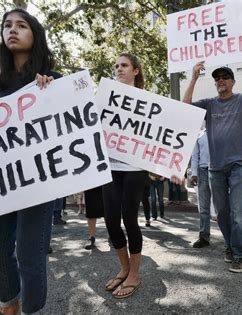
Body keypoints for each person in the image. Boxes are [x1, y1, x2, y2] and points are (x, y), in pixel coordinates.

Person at [0, 9, 61, 314]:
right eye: (7, 26)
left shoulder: (53, 79)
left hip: (38, 183)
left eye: (21, 25)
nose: (12, 30)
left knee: (30, 255)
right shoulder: (0, 83)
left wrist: (50, 93)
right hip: (3, 180)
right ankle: (9, 303)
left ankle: (31, 310)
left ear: (35, 34)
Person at [183, 42, 242, 273]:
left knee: (238, 214)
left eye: (225, 77)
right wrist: (194, 77)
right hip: (215, 168)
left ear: (233, 82)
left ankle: (241, 254)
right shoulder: (208, 104)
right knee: (222, 214)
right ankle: (230, 245)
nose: (221, 81)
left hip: (239, 166)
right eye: (218, 78)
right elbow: (184, 106)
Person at [102, 53, 147, 298]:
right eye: (116, 65)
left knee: (129, 220)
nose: (119, 69)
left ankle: (135, 275)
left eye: (124, 65)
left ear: (135, 71)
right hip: (110, 167)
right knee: (110, 221)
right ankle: (124, 268)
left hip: (135, 169)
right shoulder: (105, 98)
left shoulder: (146, 100)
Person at [191, 127, 212, 248]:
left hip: (219, 170)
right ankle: (204, 237)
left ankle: (229, 238)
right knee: (204, 207)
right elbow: (195, 155)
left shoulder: (221, 131)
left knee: (223, 207)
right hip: (203, 171)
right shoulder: (199, 135)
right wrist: (194, 173)